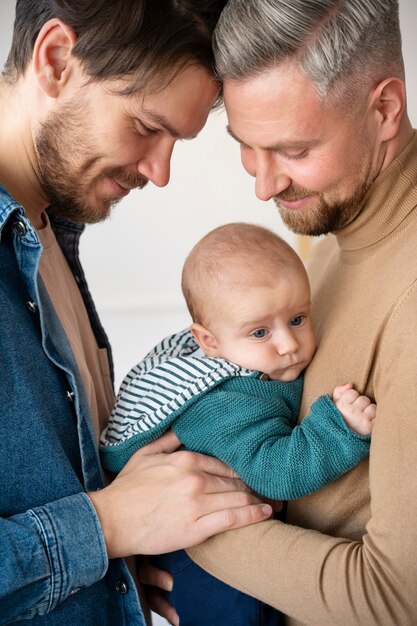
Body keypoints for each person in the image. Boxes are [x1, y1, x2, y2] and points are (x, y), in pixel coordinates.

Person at [0, 2, 274, 624]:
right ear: (56, 59)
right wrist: (107, 526)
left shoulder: (47, 231)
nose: (160, 171)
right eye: (147, 126)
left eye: (175, 141)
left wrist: (115, 569)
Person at [145, 0, 417, 624]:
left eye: (292, 150)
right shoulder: (322, 236)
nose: (263, 187)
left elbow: (395, 601)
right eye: (247, 147)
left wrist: (171, 525)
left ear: (384, 109)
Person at [100, 221, 375, 626]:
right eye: (260, 332)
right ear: (209, 342)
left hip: (217, 530)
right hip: (199, 549)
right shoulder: (224, 403)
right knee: (239, 613)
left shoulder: (254, 364)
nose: (288, 345)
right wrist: (338, 429)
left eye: (298, 319)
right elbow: (275, 474)